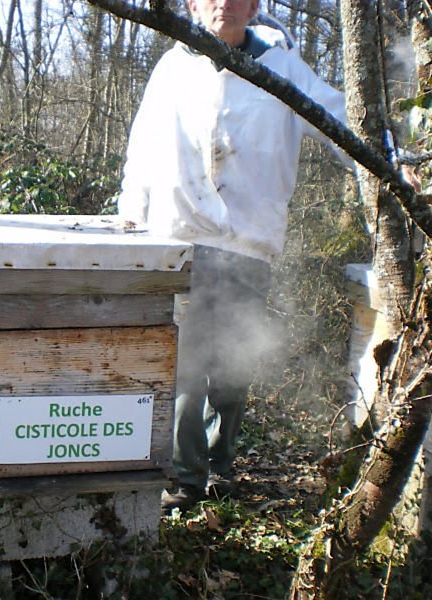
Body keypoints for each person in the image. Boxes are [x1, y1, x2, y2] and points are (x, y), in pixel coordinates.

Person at [117, 0, 350, 511]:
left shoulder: (283, 68)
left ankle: (221, 465)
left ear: (253, 6)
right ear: (194, 5)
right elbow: (143, 144)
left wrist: (393, 162)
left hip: (249, 242)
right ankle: (185, 479)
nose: (223, 1)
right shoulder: (173, 65)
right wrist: (131, 212)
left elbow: (341, 119)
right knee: (184, 364)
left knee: (232, 368)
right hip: (181, 236)